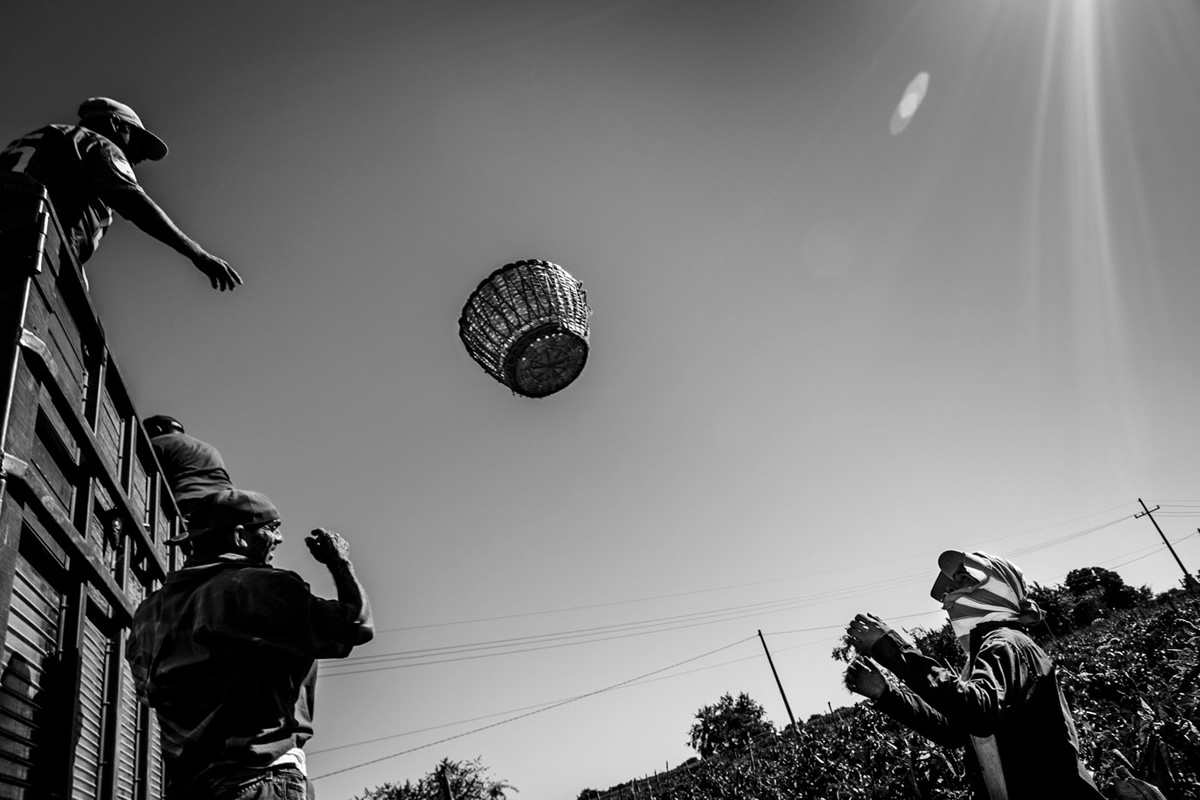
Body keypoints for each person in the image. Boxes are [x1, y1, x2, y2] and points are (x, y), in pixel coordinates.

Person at [126, 489, 375, 800]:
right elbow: (358, 625)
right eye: (271, 528)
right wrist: (340, 562)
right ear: (241, 537)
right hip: (259, 780)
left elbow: (146, 692)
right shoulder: (256, 586)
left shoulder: (148, 612)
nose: (280, 538)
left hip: (188, 788)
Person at [844, 550, 1104, 800]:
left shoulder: (1004, 642)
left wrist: (892, 649)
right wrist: (886, 694)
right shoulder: (990, 651)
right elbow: (953, 731)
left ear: (1000, 588)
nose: (949, 595)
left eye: (963, 580)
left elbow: (979, 711)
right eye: (950, 588)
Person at [0, 97, 241, 289]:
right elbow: (134, 204)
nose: (143, 155)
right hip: (30, 249)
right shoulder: (100, 143)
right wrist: (198, 254)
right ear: (116, 124)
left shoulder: (47, 136)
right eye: (139, 141)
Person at [144, 414, 234, 526]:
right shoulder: (209, 448)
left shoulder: (159, 441)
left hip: (193, 502)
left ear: (156, 429)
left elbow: (140, 469)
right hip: (228, 502)